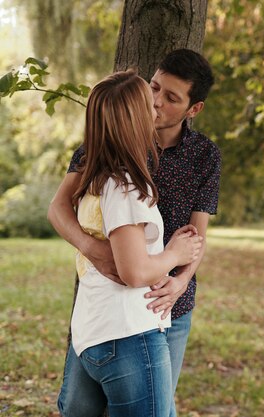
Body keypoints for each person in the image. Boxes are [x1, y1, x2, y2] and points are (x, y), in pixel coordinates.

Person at [50, 49, 221, 416]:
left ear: (194, 109)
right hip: (115, 309)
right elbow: (58, 208)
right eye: (154, 89)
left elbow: (195, 236)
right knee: (82, 408)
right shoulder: (111, 152)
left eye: (171, 97)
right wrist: (92, 248)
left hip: (163, 304)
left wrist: (180, 280)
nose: (157, 103)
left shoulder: (204, 155)